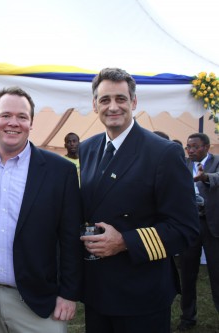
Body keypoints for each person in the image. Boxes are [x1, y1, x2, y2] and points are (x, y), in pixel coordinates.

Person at [79, 67, 199, 333]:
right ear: (94, 105)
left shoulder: (163, 152)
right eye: (105, 100)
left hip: (141, 291)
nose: (113, 107)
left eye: (121, 99)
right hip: (97, 289)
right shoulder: (87, 148)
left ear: (133, 102)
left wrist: (124, 242)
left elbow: (185, 228)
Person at [0, 86, 83, 332]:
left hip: (37, 300)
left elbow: (69, 238)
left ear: (31, 123)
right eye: (5, 115)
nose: (13, 123)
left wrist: (69, 293)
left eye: (22, 117)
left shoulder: (59, 171)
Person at [177, 133, 219, 331]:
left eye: (195, 147)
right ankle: (187, 317)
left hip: (212, 226)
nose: (191, 150)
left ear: (207, 147)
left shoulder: (217, 162)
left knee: (216, 274)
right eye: (188, 147)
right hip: (190, 227)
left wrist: (205, 177)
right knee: (187, 274)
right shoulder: (183, 164)